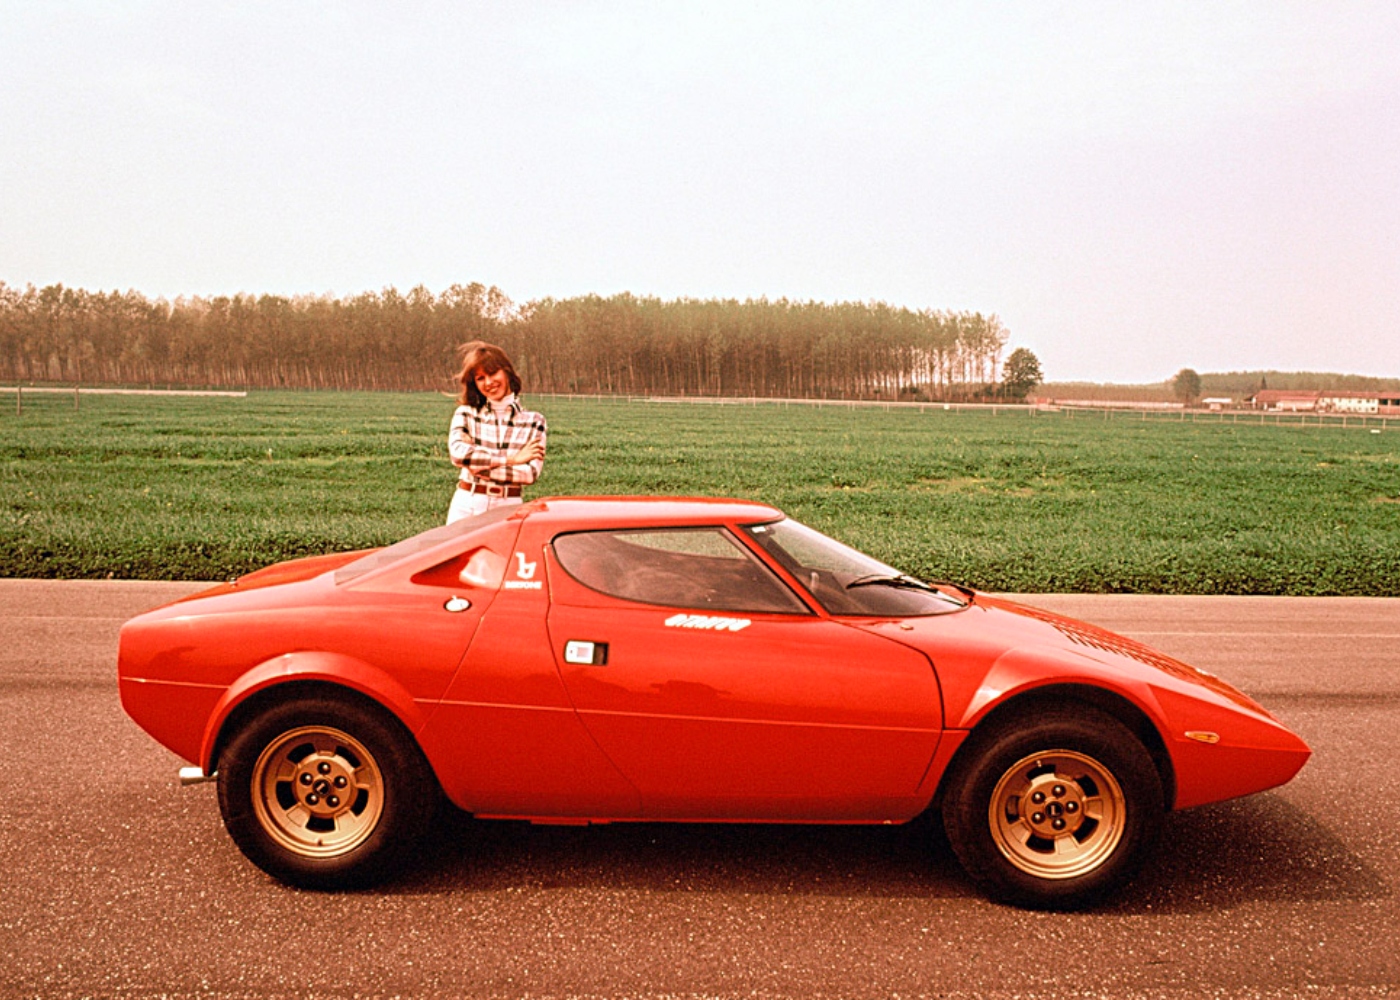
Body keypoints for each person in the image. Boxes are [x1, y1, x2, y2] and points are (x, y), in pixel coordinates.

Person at [446, 341, 547, 523]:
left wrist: (476, 466)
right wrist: (511, 460)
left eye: (493, 373)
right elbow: (459, 455)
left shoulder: (534, 422)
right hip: (467, 504)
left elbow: (529, 473)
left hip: (509, 506)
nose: (489, 383)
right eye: (480, 378)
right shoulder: (466, 414)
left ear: (507, 372)